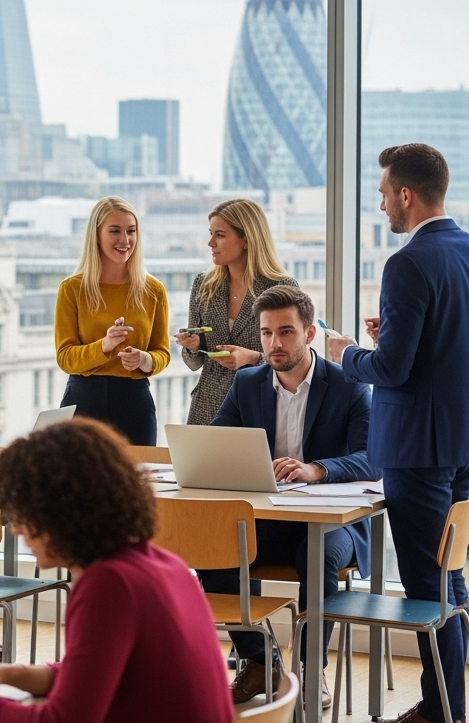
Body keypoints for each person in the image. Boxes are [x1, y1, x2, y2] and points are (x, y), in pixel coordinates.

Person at [0, 418, 233, 723]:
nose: (17, 528)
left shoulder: (109, 584)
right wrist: (3, 674)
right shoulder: (163, 564)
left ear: (60, 512)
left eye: (22, 513)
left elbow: (64, 720)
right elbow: (91, 673)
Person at [329, 143, 469, 723]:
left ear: (406, 195)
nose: (381, 204)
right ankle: (449, 705)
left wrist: (344, 352)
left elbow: (391, 371)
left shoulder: (406, 263)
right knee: (451, 586)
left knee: (427, 592)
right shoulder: (463, 249)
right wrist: (395, 335)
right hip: (460, 444)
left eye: (384, 194)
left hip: (418, 451)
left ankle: (443, 713)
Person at [199, 285, 375, 708]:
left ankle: (313, 670)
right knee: (215, 550)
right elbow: (217, 441)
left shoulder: (348, 384)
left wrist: (318, 469)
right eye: (265, 334)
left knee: (317, 556)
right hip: (270, 517)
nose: (274, 344)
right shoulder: (247, 382)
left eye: (286, 332)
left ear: (310, 333)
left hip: (332, 524)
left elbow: (373, 458)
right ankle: (262, 664)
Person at [53, 196, 170, 446]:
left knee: (135, 481)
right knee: (77, 481)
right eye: (115, 231)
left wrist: (144, 359)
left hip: (135, 401)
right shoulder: (72, 289)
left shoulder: (153, 290)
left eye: (131, 231)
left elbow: (162, 352)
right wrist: (104, 346)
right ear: (96, 235)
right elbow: (65, 358)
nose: (125, 240)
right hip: (84, 400)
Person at [176, 199, 298, 425]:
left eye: (220, 235)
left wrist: (252, 358)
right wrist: (193, 346)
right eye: (211, 234)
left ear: (246, 239)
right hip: (207, 408)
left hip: (258, 407)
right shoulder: (203, 285)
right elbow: (193, 363)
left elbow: (294, 359)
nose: (210, 243)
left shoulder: (282, 287)